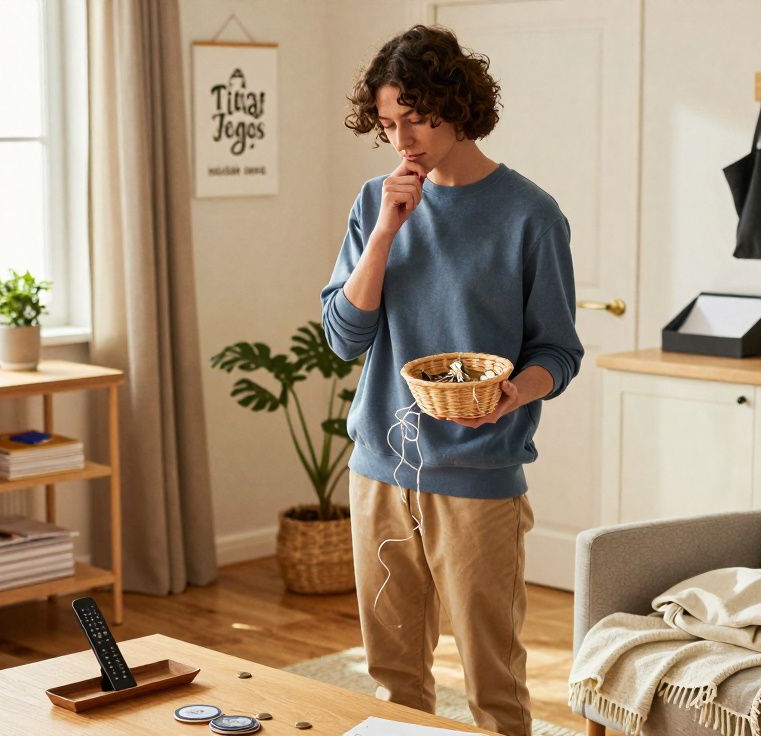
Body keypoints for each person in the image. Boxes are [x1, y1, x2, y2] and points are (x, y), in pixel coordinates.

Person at [319, 24, 583, 736]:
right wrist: (384, 235)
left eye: (414, 117)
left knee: (493, 682)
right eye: (387, 123)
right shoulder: (377, 202)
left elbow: (557, 351)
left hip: (478, 475)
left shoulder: (530, 215)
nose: (401, 139)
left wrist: (511, 394)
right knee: (391, 680)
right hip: (381, 469)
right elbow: (344, 338)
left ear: (456, 105)